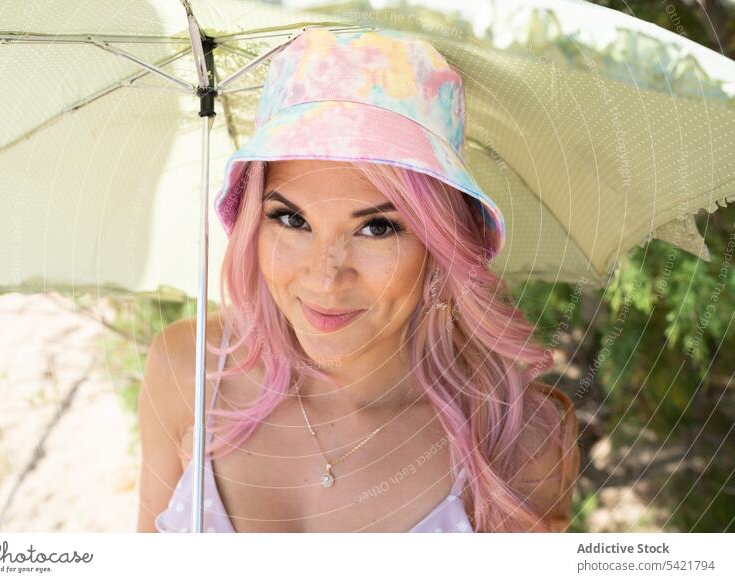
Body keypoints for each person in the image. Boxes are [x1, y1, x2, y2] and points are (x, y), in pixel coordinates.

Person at [137, 28, 580, 533]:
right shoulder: (187, 370)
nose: (326, 276)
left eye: (377, 227)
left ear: (440, 245)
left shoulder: (517, 441)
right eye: (291, 218)